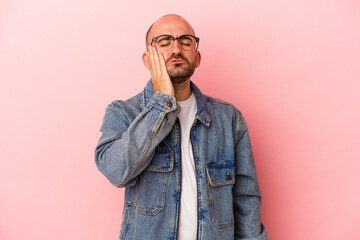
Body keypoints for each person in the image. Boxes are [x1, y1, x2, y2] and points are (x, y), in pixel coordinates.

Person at [95, 14, 268, 240]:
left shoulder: (229, 118)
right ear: (148, 59)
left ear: (197, 57)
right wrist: (162, 104)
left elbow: (246, 198)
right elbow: (116, 172)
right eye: (165, 42)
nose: (176, 49)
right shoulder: (123, 113)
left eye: (185, 42)